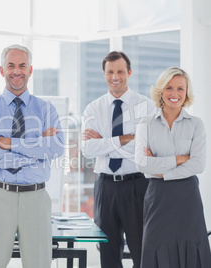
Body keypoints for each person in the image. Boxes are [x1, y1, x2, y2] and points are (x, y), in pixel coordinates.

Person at [0, 44, 64, 268]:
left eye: (22, 65)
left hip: (36, 198)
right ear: (1, 70)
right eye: (11, 65)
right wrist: (35, 154)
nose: (17, 71)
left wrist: (11, 143)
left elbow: (56, 149)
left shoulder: (46, 110)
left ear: (30, 70)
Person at [81, 51, 155, 268]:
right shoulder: (93, 108)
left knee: (142, 251)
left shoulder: (146, 106)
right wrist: (123, 139)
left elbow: (145, 147)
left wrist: (105, 141)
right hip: (105, 187)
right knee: (108, 253)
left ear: (129, 73)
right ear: (104, 74)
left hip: (137, 185)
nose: (115, 77)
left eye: (120, 71)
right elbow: (87, 148)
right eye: (110, 72)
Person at [135, 67, 211, 267]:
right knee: (155, 246)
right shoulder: (146, 123)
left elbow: (198, 164)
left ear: (186, 92)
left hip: (187, 199)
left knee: (190, 254)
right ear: (161, 90)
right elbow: (141, 163)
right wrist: (178, 159)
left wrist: (160, 171)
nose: (174, 94)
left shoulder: (196, 124)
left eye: (180, 88)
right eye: (169, 88)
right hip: (158, 198)